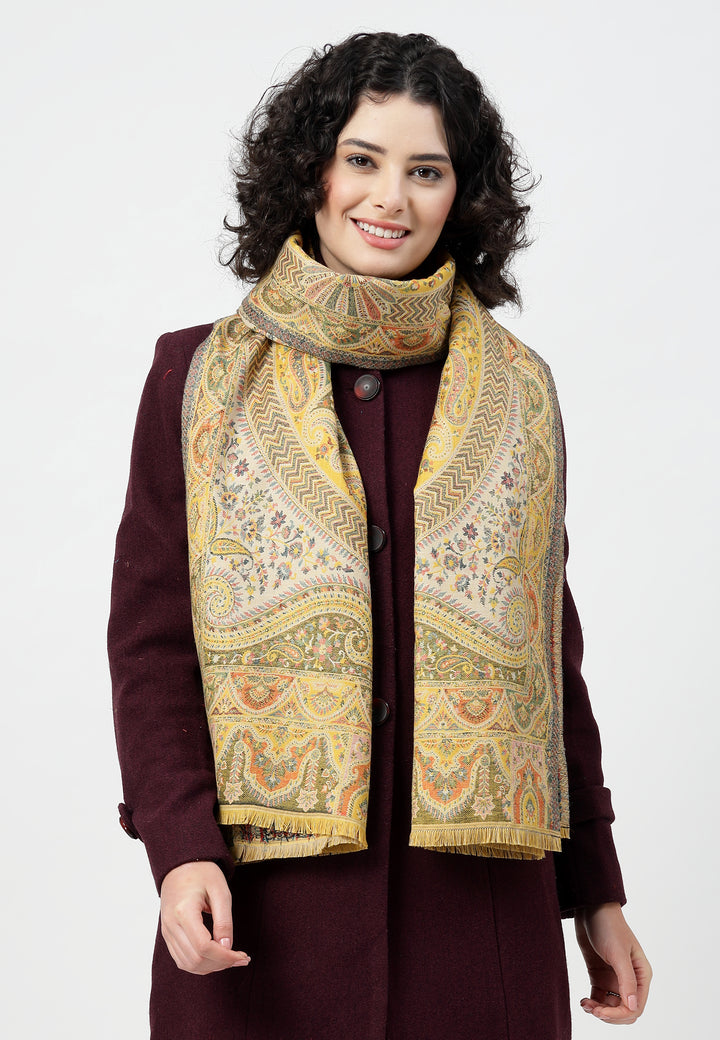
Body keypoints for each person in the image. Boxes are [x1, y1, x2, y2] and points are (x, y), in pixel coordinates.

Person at [109, 31, 651, 1040]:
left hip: (482, 931)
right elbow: (151, 644)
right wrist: (179, 848)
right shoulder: (195, 379)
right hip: (263, 922)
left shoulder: (519, 392)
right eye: (362, 158)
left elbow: (549, 661)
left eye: (426, 171)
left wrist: (598, 892)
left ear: (461, 195)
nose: (389, 197)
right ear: (311, 168)